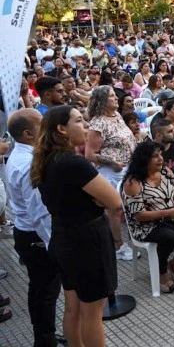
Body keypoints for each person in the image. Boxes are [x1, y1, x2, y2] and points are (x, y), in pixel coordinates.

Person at [31, 106, 122, 347]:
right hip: (87, 241)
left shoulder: (47, 160)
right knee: (93, 312)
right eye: (80, 121)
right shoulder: (73, 164)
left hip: (64, 238)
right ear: (62, 129)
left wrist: (97, 198)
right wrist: (98, 199)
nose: (87, 126)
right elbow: (115, 201)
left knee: (74, 307)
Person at [7, 109, 62, 346]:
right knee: (45, 293)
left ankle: (46, 335)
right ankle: (45, 341)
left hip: (29, 233)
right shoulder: (29, 163)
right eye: (42, 126)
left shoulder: (21, 156)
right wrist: (55, 246)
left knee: (42, 291)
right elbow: (39, 213)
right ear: (29, 134)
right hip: (35, 236)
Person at [123, 142, 174, 293]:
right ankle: (161, 271)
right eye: (155, 156)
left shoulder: (166, 171)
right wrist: (169, 213)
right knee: (169, 237)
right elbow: (140, 215)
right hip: (146, 225)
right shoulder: (133, 182)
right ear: (143, 160)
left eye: (160, 154)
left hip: (170, 216)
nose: (160, 158)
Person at [84, 85, 137, 261]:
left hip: (128, 168)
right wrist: (112, 163)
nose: (116, 98)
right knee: (115, 209)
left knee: (127, 206)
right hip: (111, 172)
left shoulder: (116, 115)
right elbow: (90, 154)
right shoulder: (98, 123)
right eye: (112, 96)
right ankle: (117, 245)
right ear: (102, 101)